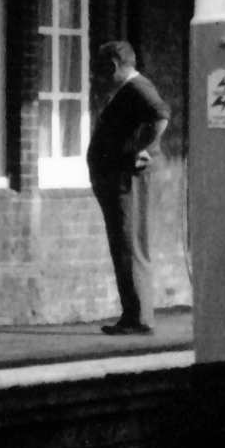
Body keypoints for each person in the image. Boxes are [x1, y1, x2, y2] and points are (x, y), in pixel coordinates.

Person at [89, 39, 168, 336]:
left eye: (101, 69)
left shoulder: (137, 88)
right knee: (126, 243)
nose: (98, 76)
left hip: (128, 179)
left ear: (111, 66)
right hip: (121, 178)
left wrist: (142, 148)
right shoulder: (131, 89)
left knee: (128, 242)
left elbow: (160, 115)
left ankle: (138, 317)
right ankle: (134, 314)